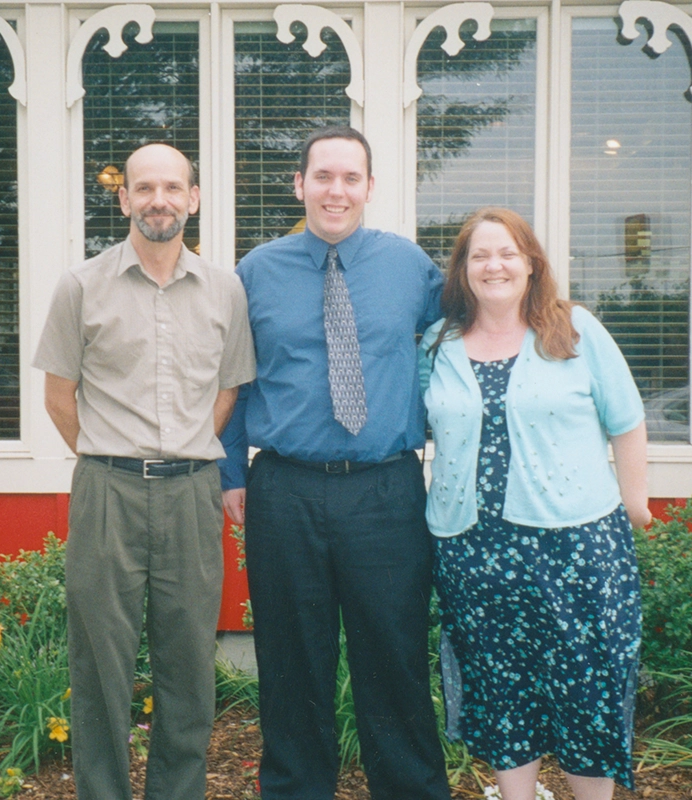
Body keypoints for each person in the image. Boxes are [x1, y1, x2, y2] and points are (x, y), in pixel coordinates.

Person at [219, 125, 451, 800]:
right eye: (323, 176)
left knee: (394, 660)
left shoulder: (409, 267)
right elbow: (232, 379)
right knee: (291, 666)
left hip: (386, 491)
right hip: (285, 491)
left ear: (370, 188)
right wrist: (232, 472)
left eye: (351, 178)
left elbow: (463, 339)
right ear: (300, 184)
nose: (336, 190)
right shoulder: (256, 271)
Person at [33, 143, 255, 800]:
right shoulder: (82, 286)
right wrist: (111, 455)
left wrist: (179, 448)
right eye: (144, 188)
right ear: (124, 198)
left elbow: (226, 392)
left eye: (172, 187)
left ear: (193, 198)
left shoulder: (225, 289)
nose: (159, 199)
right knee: (100, 662)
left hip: (190, 492)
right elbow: (58, 395)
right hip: (107, 491)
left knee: (187, 662)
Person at [418, 207, 650, 800]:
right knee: (500, 688)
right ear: (462, 270)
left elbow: (625, 420)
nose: (494, 265)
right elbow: (418, 430)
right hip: (472, 549)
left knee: (584, 687)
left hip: (574, 544)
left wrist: (635, 502)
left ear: (530, 263)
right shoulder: (438, 344)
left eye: (507, 253)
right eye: (479, 255)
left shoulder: (574, 329)